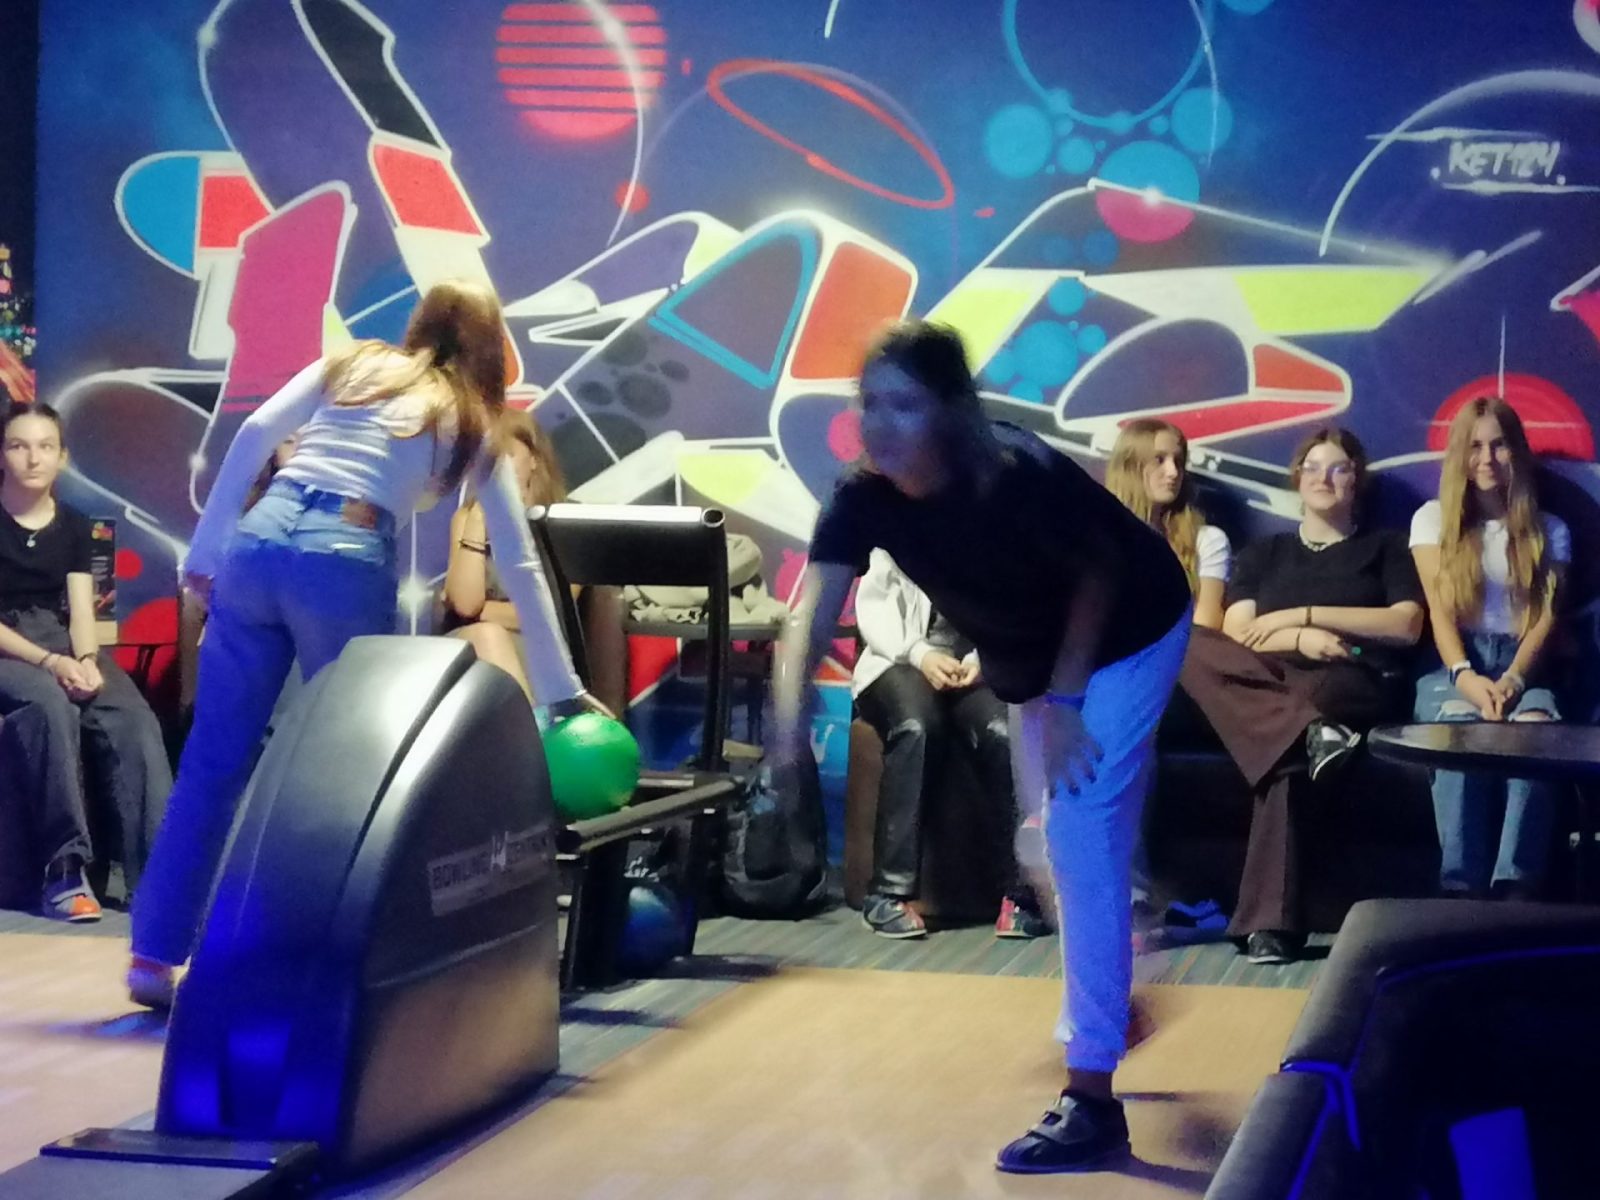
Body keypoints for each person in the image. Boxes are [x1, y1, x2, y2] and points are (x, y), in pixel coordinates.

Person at [775, 320, 1192, 1173]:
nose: (880, 424)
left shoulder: (1013, 472)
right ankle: (1112, 991)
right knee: (1040, 852)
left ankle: (1091, 1100)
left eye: (904, 405)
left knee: (1079, 834)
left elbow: (1098, 576)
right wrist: (786, 732)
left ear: (951, 410)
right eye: (869, 404)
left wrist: (1068, 702)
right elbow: (810, 613)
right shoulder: (863, 498)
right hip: (1031, 662)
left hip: (1133, 631)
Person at [128, 280, 593, 1008]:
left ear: (420, 326)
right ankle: (316, 961)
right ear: (489, 350)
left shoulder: (356, 363)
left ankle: (152, 958)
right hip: (342, 555)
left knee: (212, 763)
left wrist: (207, 550)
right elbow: (521, 559)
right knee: (350, 774)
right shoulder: (472, 418)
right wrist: (564, 691)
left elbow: (255, 434)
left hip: (260, 540)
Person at [1178, 427, 1424, 965]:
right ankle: (1313, 733)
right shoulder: (1266, 552)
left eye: (1338, 468)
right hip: (1271, 676)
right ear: (1297, 479)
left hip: (1349, 672)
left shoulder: (1384, 547)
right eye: (1312, 467)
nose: (1323, 478)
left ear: (1356, 480)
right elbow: (1236, 632)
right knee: (1192, 642)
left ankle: (1272, 926)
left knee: (1287, 749)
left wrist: (1305, 616)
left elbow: (1405, 624)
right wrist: (1296, 639)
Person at [0, 400, 172, 920]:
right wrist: (51, 663)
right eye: (19, 445)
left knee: (131, 715)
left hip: (59, 637)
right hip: (11, 644)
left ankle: (161, 878)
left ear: (62, 457)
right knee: (49, 706)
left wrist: (88, 659)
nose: (33, 458)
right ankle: (64, 871)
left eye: (45, 446)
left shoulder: (75, 525)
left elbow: (81, 610)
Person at [1410, 398, 1568, 900]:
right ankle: (1461, 888)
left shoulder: (1550, 529)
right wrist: (1466, 676)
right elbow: (1439, 612)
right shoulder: (1433, 521)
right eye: (1475, 446)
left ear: (1516, 451)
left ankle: (1514, 889)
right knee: (1461, 731)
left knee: (1536, 734)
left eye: (1499, 445)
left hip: (1524, 666)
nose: (1487, 458)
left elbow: (1545, 618)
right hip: (1454, 665)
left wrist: (1514, 680)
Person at [851, 548, 1048, 940]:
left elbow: (1011, 609)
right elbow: (875, 609)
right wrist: (921, 654)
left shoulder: (998, 534)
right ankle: (887, 893)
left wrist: (983, 660)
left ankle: (1022, 894)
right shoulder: (897, 532)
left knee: (1005, 733)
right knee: (917, 727)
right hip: (898, 661)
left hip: (974, 669)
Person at [1105, 418, 1232, 932]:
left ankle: (1134, 899)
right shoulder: (1101, 534)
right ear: (1131, 465)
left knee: (1131, 728)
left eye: (1179, 460)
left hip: (1182, 679)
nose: (1173, 471)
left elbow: (1207, 629)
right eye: (1159, 459)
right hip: (1112, 678)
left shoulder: (1206, 540)